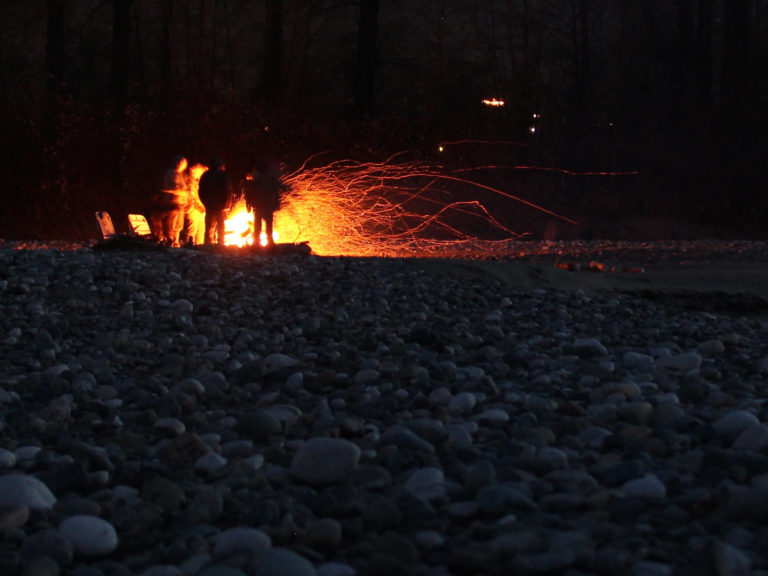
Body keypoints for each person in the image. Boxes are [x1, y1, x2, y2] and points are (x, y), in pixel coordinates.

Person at [242, 158, 285, 247]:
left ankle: (256, 242)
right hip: (267, 205)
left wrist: (249, 204)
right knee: (268, 224)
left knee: (258, 224)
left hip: (258, 205)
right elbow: (277, 191)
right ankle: (270, 242)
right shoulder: (271, 180)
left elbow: (249, 193)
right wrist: (276, 204)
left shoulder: (256, 181)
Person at [151, 155, 190, 246]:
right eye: (183, 164)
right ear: (179, 163)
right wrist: (185, 191)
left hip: (176, 205)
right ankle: (172, 243)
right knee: (173, 226)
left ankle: (173, 243)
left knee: (175, 226)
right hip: (173, 204)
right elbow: (174, 188)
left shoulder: (175, 173)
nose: (184, 167)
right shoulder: (173, 174)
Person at [198, 157, 231, 245]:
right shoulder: (222, 175)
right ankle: (220, 243)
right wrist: (226, 204)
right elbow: (227, 190)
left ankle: (208, 243)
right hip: (219, 205)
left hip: (209, 204)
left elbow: (201, 191)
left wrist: (204, 202)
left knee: (209, 225)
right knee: (220, 225)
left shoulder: (205, 175)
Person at [181, 162, 208, 245]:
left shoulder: (194, 181)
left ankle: (199, 246)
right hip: (193, 210)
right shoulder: (189, 181)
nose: (201, 175)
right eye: (200, 172)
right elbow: (192, 196)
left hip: (198, 210)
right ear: (192, 170)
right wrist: (200, 207)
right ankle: (189, 246)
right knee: (192, 230)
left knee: (200, 230)